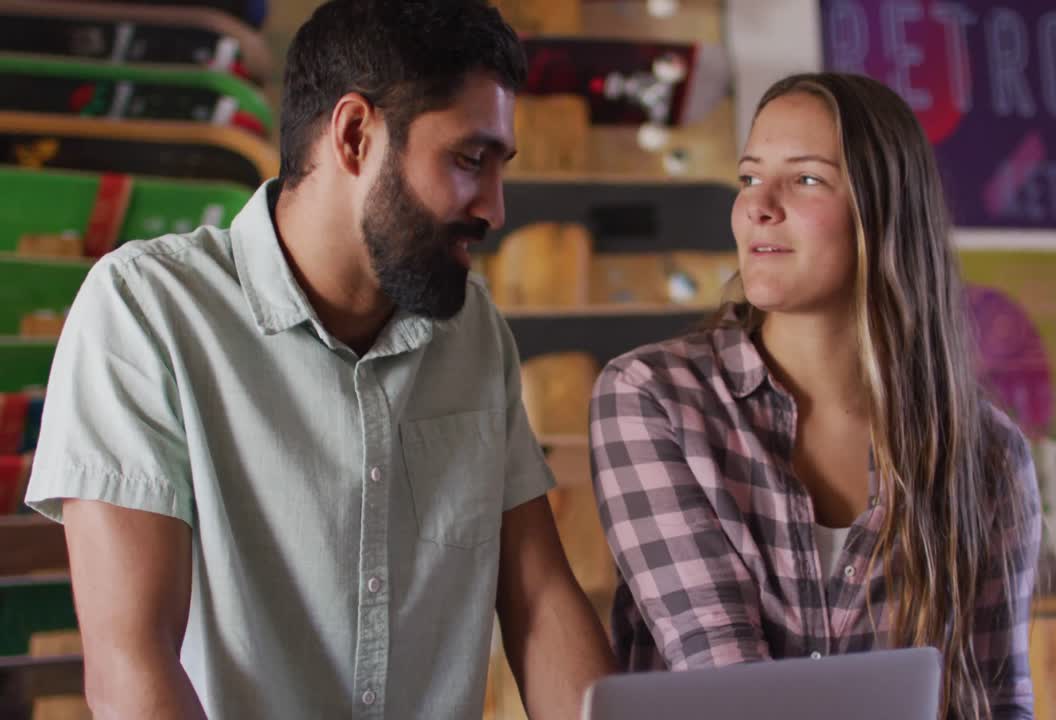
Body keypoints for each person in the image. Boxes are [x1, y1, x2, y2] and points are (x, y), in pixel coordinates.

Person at [25, 1, 614, 717]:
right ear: (356, 134)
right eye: (468, 159)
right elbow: (132, 665)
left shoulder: (472, 329)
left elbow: (540, 599)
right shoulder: (147, 309)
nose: (493, 207)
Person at [588, 72, 1041, 720]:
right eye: (748, 178)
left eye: (804, 179)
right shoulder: (654, 399)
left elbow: (996, 703)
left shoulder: (989, 455)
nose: (758, 207)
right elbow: (727, 690)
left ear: (884, 211)